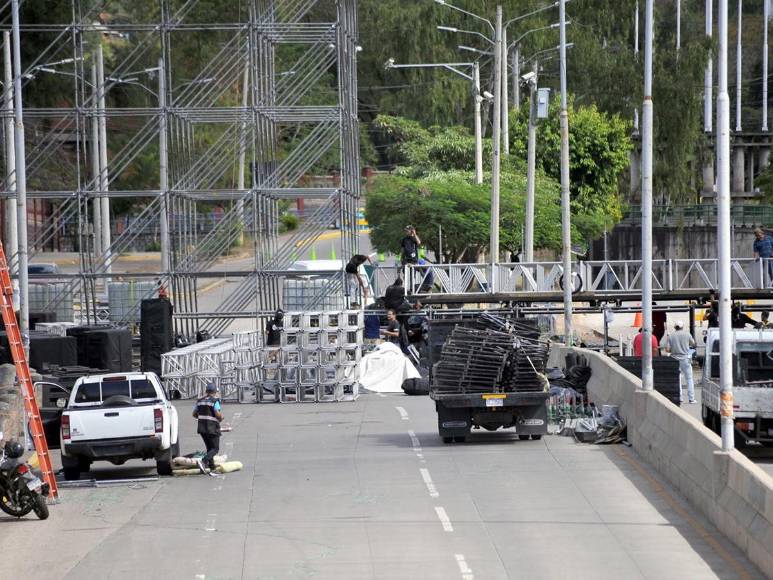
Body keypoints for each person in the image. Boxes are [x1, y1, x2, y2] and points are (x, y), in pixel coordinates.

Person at [661, 321, 697, 404]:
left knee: (678, 379)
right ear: (682, 327)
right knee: (689, 379)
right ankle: (691, 398)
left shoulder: (671, 336)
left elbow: (667, 349)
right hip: (685, 359)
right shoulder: (687, 334)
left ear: (675, 327)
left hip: (675, 359)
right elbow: (693, 344)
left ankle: (680, 398)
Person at [192, 383, 224, 473]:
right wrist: (221, 418)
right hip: (212, 428)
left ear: (206, 391)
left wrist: (202, 417)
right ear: (215, 392)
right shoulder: (214, 401)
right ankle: (203, 461)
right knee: (215, 448)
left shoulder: (200, 401)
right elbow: (217, 414)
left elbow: (194, 414)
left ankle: (212, 467)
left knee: (209, 448)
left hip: (202, 428)